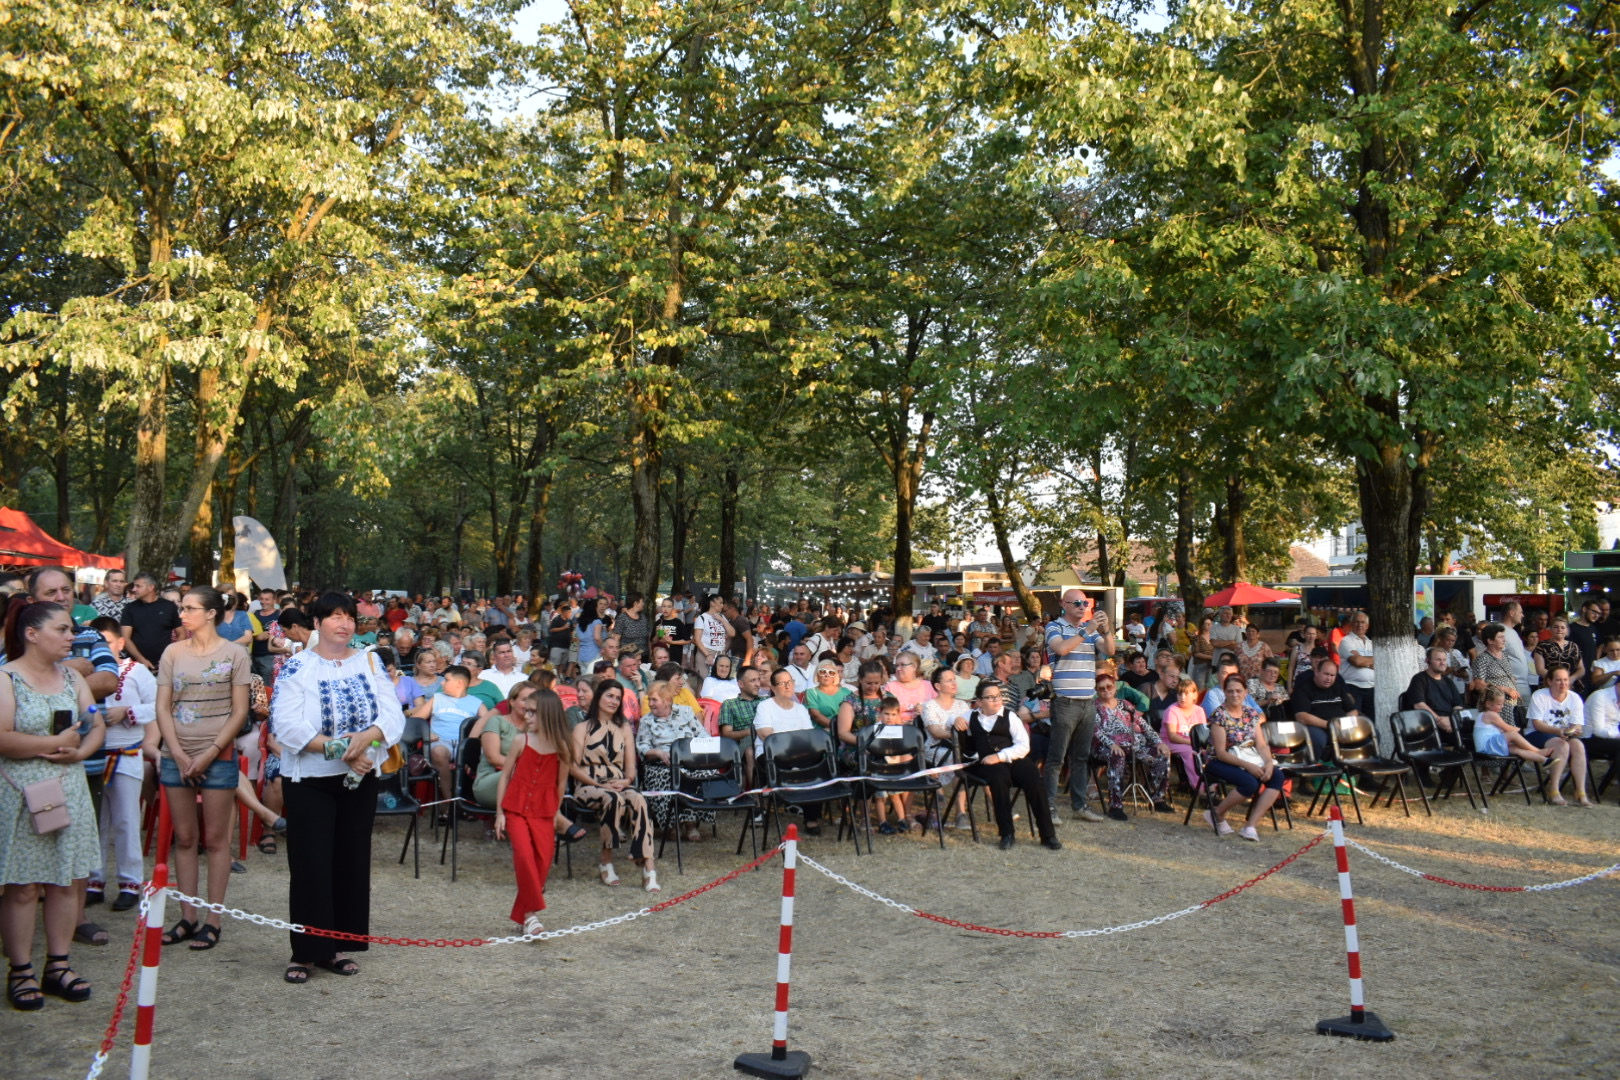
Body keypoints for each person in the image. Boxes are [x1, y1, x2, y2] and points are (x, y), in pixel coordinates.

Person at [270, 591, 403, 983]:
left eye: (349, 617)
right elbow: (286, 726)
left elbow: (391, 716)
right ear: (317, 623)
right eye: (334, 616)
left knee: (350, 862)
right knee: (311, 865)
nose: (344, 624)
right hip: (309, 781)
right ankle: (305, 952)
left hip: (360, 778)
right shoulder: (298, 667)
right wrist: (343, 750)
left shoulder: (370, 661)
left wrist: (367, 740)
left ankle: (339, 946)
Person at [0, 600, 102, 1010]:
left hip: (68, 789)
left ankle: (58, 965)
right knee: (23, 886)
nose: (70, 637)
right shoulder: (7, 678)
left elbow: (94, 723)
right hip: (22, 795)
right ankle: (21, 970)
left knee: (64, 881)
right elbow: (3, 737)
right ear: (32, 634)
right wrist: (55, 743)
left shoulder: (72, 677)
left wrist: (80, 753)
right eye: (61, 629)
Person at [153, 586, 251, 952]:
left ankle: (213, 919)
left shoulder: (235, 653)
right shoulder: (172, 652)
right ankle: (187, 916)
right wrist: (178, 753)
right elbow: (162, 706)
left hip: (217, 755)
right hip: (176, 754)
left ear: (211, 613)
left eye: (190, 608)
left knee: (215, 840)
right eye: (182, 608)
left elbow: (239, 710)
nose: (182, 614)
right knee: (184, 838)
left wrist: (210, 752)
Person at [85, 617, 158, 913]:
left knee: (126, 819)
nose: (101, 648)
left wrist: (127, 711)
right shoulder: (86, 673)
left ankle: (130, 882)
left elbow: (158, 705)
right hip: (92, 755)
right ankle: (94, 880)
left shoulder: (136, 671)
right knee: (95, 820)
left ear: (120, 643)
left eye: (106, 642)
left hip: (126, 752)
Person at [494, 687, 573, 936]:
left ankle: (523, 917)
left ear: (547, 714)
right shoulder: (521, 741)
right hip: (516, 808)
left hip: (544, 811)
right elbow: (505, 776)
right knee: (524, 857)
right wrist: (500, 813)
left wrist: (555, 813)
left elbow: (561, 784)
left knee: (542, 862)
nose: (526, 716)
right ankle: (531, 916)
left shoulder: (562, 748)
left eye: (532, 712)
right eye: (526, 711)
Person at [570, 682, 657, 891]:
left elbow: (631, 768)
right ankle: (605, 860)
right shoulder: (582, 728)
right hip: (588, 783)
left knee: (638, 798)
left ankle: (648, 865)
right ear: (599, 697)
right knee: (613, 798)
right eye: (609, 696)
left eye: (618, 698)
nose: (614, 701)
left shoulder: (624, 728)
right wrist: (597, 784)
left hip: (618, 783)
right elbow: (572, 766)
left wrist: (626, 781)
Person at [953, 680, 1060, 850]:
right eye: (990, 697)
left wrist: (1000, 756)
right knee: (998, 779)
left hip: (1013, 757)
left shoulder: (1010, 716)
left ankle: (1048, 835)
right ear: (979, 702)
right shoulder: (971, 715)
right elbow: (950, 722)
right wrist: (956, 719)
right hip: (986, 763)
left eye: (998, 696)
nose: (996, 700)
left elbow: (1023, 746)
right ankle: (1007, 833)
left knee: (1033, 778)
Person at [1044, 590, 1112, 824]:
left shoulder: (1089, 630)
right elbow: (1061, 649)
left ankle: (1079, 806)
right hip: (1065, 702)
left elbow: (1110, 651)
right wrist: (1088, 629)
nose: (1082, 607)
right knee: (1057, 758)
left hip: (1087, 702)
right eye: (1077, 603)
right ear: (1064, 604)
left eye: (1085, 603)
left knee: (1081, 758)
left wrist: (1106, 630)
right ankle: (1049, 808)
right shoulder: (1055, 626)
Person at [1203, 673, 1285, 840]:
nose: (1235, 695)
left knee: (1277, 776)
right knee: (1250, 782)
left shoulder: (1251, 713)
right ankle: (1217, 813)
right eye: (1230, 691)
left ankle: (1250, 825)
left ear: (1246, 692)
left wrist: (1269, 763)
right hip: (1219, 761)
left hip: (1248, 756)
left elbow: (1261, 744)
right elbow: (1221, 753)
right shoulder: (1219, 716)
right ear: (1224, 692)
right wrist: (1249, 767)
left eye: (1239, 691)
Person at [636, 681, 712, 842]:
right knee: (670, 776)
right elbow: (642, 747)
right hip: (660, 765)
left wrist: (693, 752)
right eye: (649, 700)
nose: (650, 704)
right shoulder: (647, 721)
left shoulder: (685, 712)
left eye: (654, 700)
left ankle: (691, 823)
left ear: (667, 700)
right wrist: (658, 753)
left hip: (689, 761)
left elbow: (703, 736)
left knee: (700, 775)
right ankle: (673, 824)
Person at [1090, 672, 1172, 819]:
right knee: (1116, 755)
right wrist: (1111, 745)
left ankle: (1158, 798)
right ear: (1096, 690)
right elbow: (1095, 731)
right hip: (1104, 746)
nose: (1106, 690)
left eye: (1109, 687)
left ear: (1115, 687)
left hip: (1133, 745)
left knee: (1161, 754)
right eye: (1101, 688)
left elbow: (1143, 724)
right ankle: (1115, 806)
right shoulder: (1094, 707)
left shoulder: (1125, 704)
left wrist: (1159, 742)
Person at [753, 669, 823, 834]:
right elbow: (766, 735)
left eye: (790, 682)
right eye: (782, 683)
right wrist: (793, 745)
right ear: (773, 687)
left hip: (798, 755)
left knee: (817, 764)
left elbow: (808, 737)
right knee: (796, 765)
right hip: (772, 755)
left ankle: (811, 818)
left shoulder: (800, 709)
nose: (787, 686)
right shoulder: (765, 706)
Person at [408, 665, 485, 806]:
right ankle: (449, 803)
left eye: (447, 680)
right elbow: (415, 721)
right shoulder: (437, 698)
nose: (442, 683)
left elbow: (489, 724)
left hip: (465, 744)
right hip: (441, 742)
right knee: (438, 752)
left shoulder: (476, 703)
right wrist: (427, 733)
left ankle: (471, 802)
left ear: (459, 683)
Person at [1524, 664, 1592, 806]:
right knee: (1561, 745)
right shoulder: (1540, 696)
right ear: (1550, 681)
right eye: (1559, 680)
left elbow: (1577, 723)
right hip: (1537, 734)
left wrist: (1574, 730)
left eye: (1565, 680)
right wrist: (1558, 731)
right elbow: (1537, 724)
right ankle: (1554, 790)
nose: (1563, 683)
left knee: (1578, 745)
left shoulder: (1574, 698)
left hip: (1563, 735)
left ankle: (1580, 792)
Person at [921, 667, 971, 828]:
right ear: (938, 686)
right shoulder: (929, 706)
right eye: (949, 680)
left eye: (954, 679)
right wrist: (956, 734)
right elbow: (935, 732)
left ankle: (961, 812)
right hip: (935, 748)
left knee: (966, 758)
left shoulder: (962, 705)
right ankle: (960, 812)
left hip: (959, 748)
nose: (954, 683)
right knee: (958, 761)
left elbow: (970, 729)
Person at [1289, 658, 1359, 762]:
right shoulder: (1303, 689)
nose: (1329, 678)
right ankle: (1313, 767)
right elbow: (1302, 716)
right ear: (1316, 672)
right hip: (1317, 727)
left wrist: (1346, 724)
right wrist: (1330, 725)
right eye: (1326, 674)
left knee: (1369, 733)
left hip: (1340, 726)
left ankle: (1358, 768)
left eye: (1332, 675)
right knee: (1317, 738)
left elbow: (1352, 711)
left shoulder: (1338, 687)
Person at [1474, 686, 1552, 768]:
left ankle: (1545, 760)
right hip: (1487, 746)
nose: (1502, 706)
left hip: (1487, 747)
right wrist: (1523, 730)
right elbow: (1508, 728)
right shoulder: (1490, 715)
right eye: (1499, 704)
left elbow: (1499, 731)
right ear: (1488, 704)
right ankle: (1537, 751)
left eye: (1503, 704)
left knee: (1516, 749)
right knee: (1513, 734)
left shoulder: (1484, 715)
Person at [119, 572, 182, 673]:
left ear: (151, 587)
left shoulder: (169, 607)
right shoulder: (130, 608)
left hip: (165, 665)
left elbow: (182, 634)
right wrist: (141, 660)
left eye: (138, 586)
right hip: (136, 666)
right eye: (134, 585)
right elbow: (125, 638)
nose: (134, 589)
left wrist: (171, 656)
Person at [1471, 623, 1525, 731]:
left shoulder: (1504, 657)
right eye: (1500, 637)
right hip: (1495, 706)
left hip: (1511, 706)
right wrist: (1504, 688)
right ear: (1490, 640)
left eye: (1503, 637)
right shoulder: (1482, 659)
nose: (1504, 640)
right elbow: (1479, 685)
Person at [1159, 677, 1205, 792]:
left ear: (1194, 695)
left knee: (1210, 753)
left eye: (1186, 694)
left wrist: (1201, 745)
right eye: (1180, 694)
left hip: (1192, 743)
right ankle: (1199, 788)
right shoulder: (1172, 711)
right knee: (1190, 752)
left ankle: (1212, 785)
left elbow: (1203, 734)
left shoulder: (1199, 711)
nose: (1182, 697)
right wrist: (1193, 743)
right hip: (1170, 742)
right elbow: (1172, 737)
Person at [1401, 648, 1460, 732]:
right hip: (1428, 725)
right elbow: (1419, 705)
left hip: (1450, 723)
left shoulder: (1448, 681)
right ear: (1428, 660)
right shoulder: (1419, 679)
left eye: (1444, 660)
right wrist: (1439, 720)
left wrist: (1453, 720)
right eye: (1438, 660)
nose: (1442, 663)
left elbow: (1458, 705)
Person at [1336, 612, 1376, 718]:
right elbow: (1356, 661)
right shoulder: (1346, 641)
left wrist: (1363, 660)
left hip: (1371, 688)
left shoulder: (1371, 643)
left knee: (1370, 721)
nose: (1360, 625)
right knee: (1354, 721)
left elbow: (1378, 664)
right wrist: (1372, 661)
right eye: (1357, 622)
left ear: (1367, 626)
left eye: (1362, 622)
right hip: (1352, 687)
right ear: (1351, 624)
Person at [1532, 617, 1585, 686]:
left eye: (1562, 627)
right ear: (1550, 629)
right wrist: (1559, 680)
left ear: (1567, 630)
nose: (1559, 629)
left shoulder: (1574, 646)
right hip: (1549, 685)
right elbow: (1540, 670)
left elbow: (1581, 669)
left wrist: (1571, 679)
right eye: (1556, 627)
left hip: (1571, 685)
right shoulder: (1542, 646)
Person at [804, 661, 853, 733]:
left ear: (835, 676)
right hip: (822, 733)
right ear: (817, 675)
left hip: (846, 731)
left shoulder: (846, 692)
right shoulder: (811, 692)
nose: (827, 675)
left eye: (831, 672)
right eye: (823, 672)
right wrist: (837, 728)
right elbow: (816, 716)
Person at [692, 594, 732, 681]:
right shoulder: (702, 618)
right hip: (706, 651)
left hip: (720, 652)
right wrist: (707, 655)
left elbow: (732, 633)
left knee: (719, 679)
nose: (722, 605)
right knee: (704, 680)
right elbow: (697, 639)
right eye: (720, 603)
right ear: (712, 603)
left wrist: (722, 620)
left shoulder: (722, 617)